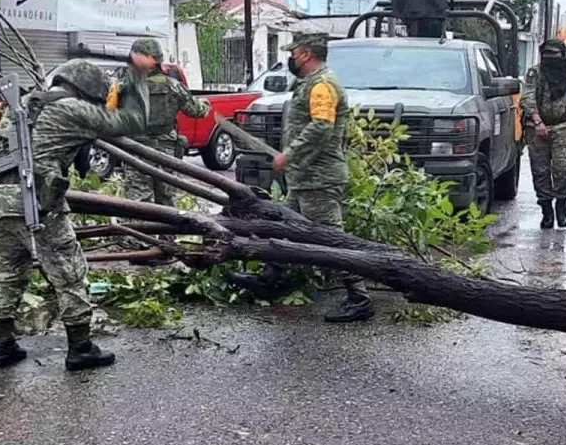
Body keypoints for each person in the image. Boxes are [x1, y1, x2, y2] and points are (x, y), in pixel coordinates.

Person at [0, 60, 143, 370]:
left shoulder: (12, 105)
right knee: (69, 272)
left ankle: (1, 345)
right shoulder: (72, 109)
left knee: (6, 271)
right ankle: (80, 348)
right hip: (37, 200)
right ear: (86, 90)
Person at [229, 34, 374, 323]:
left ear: (306, 54)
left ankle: (360, 297)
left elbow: (321, 127)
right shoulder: (311, 83)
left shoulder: (322, 85)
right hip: (306, 177)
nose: (291, 59)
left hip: (319, 178)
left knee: (331, 238)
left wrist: (289, 155)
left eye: (294, 53)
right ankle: (270, 278)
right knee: (284, 225)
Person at [106, 37, 211, 206]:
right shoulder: (173, 86)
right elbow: (196, 111)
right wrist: (205, 104)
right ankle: (167, 233)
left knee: (140, 204)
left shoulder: (122, 86)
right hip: (165, 153)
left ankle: (142, 232)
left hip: (135, 152)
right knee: (167, 202)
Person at [522, 39, 566, 229]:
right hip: (536, 127)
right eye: (547, 54)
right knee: (540, 171)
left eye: (555, 54)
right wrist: (538, 122)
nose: (551, 58)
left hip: (562, 126)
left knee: (561, 168)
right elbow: (527, 98)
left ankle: (561, 208)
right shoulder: (535, 73)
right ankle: (546, 212)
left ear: (562, 55)